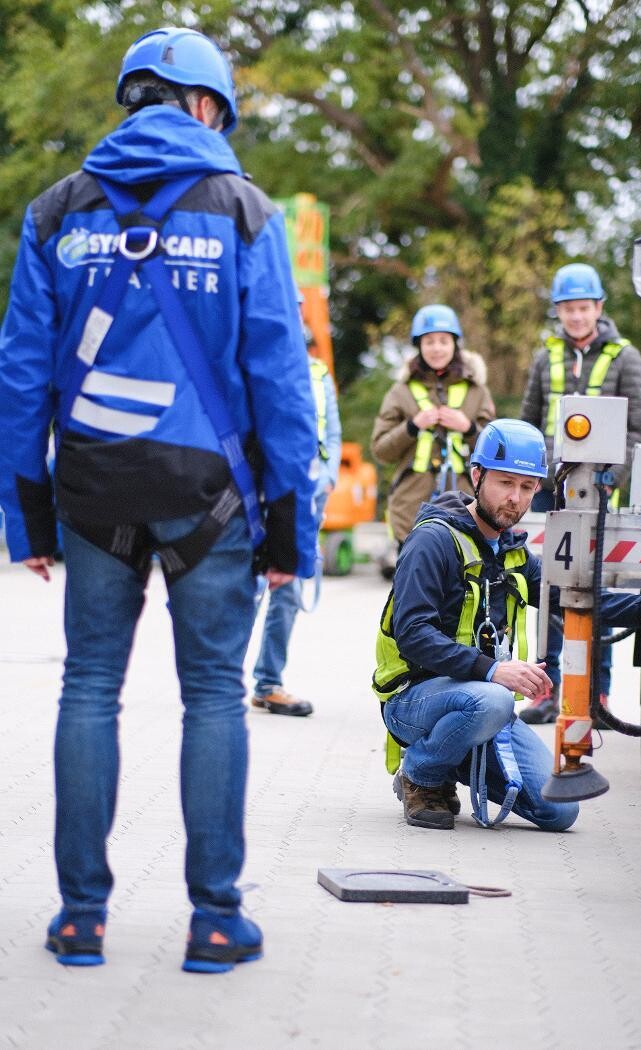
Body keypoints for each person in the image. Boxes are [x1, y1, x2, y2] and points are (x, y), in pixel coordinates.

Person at [0, 27, 318, 973]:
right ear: (208, 107)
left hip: (93, 490)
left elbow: (20, 377)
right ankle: (215, 922)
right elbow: (280, 378)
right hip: (209, 498)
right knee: (214, 695)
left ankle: (79, 920)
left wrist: (27, 518)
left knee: (89, 687)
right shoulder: (245, 211)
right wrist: (290, 532)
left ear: (134, 98)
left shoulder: (58, 211)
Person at [372, 419, 641, 831]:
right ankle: (422, 774)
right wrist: (493, 669)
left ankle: (451, 755)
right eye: (505, 483)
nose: (515, 498)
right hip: (413, 699)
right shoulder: (433, 541)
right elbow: (412, 634)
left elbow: (576, 597)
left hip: (477, 703)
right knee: (494, 700)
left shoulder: (513, 554)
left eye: (527, 487)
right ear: (477, 476)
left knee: (559, 812)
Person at [519, 263, 641, 725]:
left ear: (599, 307)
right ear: (558, 311)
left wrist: (610, 478)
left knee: (597, 591)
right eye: (568, 309)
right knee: (547, 590)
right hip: (549, 492)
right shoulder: (545, 358)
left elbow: (638, 430)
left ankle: (598, 694)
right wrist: (534, 476)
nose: (576, 316)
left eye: (583, 308)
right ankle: (546, 691)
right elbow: (529, 422)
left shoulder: (624, 357)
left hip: (598, 494)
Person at [251, 318, 342, 716]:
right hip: (262, 494)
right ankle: (219, 681)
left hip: (306, 497)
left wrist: (328, 478)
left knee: (287, 592)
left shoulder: (320, 377)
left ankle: (268, 683)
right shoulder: (258, 368)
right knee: (246, 587)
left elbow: (332, 435)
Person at [371, 304, 495, 547]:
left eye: (443, 341)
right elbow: (381, 451)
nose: (436, 348)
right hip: (410, 510)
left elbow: (496, 451)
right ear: (419, 346)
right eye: (429, 341)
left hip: (466, 507)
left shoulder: (477, 391)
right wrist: (412, 426)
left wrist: (468, 428)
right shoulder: (400, 392)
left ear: (454, 344)